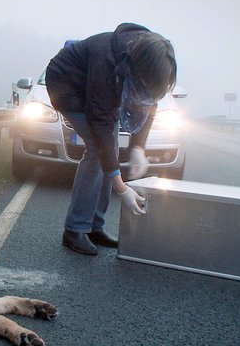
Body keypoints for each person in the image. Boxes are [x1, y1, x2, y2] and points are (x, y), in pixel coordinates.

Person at [45, 23, 177, 255]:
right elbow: (101, 122)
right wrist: (121, 188)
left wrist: (138, 148)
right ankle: (75, 229)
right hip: (67, 86)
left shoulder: (155, 60)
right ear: (135, 68)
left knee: (109, 152)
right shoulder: (104, 59)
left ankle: (94, 225)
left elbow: (150, 103)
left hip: (98, 92)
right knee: (98, 150)